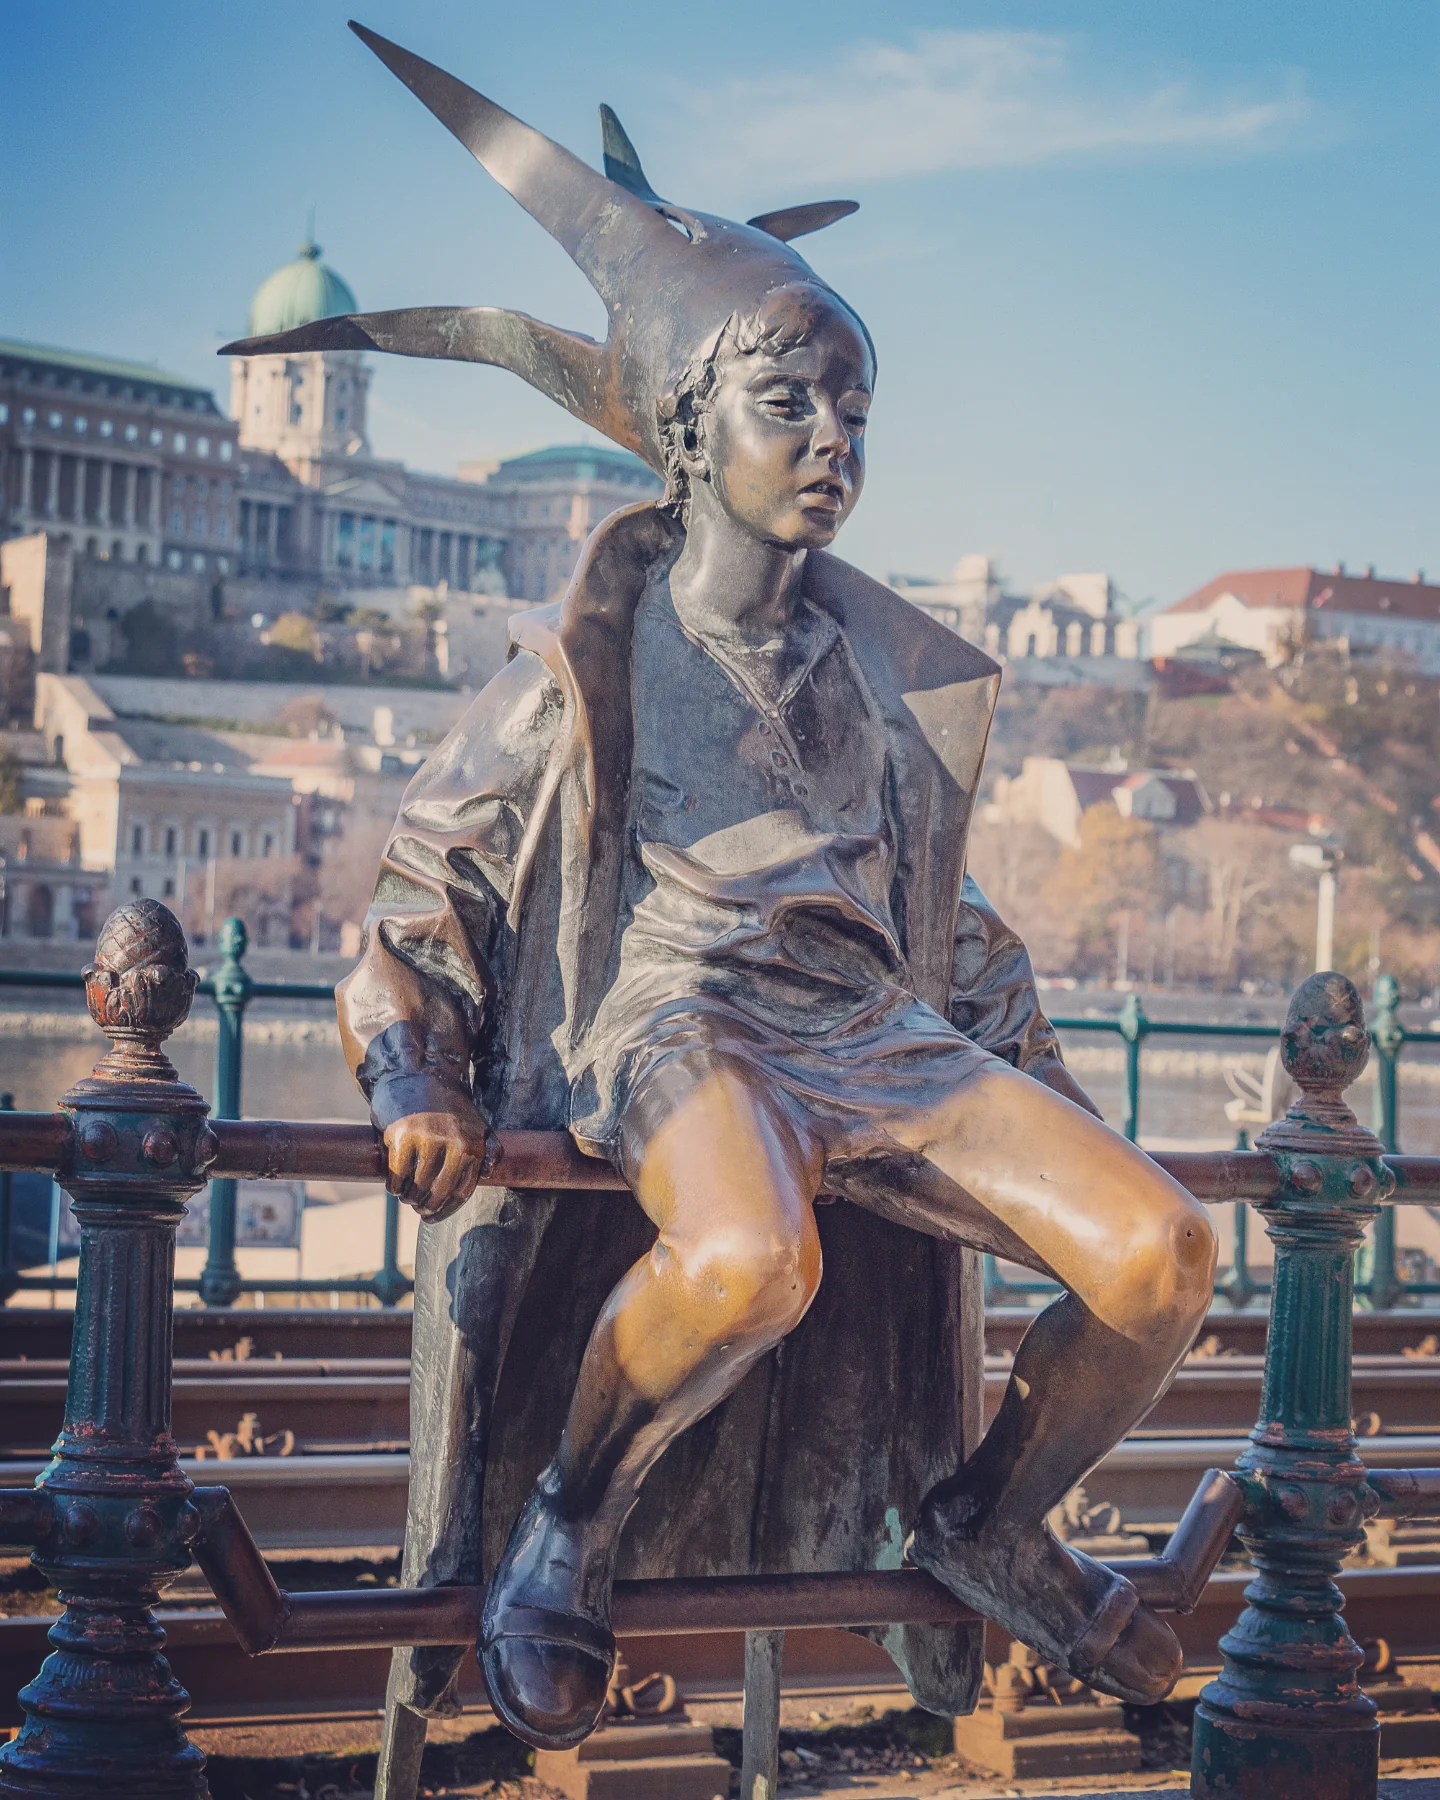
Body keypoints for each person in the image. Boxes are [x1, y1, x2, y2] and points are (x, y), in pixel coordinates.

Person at [226, 24, 1217, 1758]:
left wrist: (1038, 1081)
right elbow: (423, 892)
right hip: (679, 1018)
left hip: (874, 1031)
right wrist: (412, 1066)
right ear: (690, 430)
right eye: (792, 402)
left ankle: (986, 1522)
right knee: (752, 1251)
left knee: (1162, 1250)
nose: (835, 437)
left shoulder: (889, 690)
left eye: (854, 406)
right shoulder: (588, 663)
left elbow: (953, 933)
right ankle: (570, 1527)